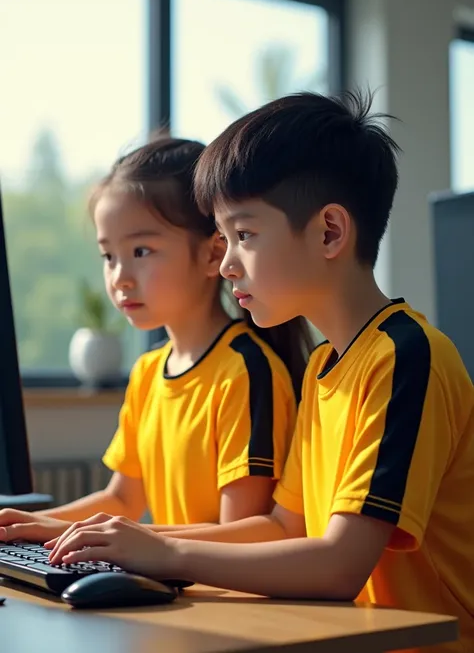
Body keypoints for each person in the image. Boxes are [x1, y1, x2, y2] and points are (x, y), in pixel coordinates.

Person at [35, 93, 474, 653]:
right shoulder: (323, 365)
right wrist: (123, 540)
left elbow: (340, 564)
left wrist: (164, 552)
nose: (225, 263)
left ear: (330, 233)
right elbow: (285, 529)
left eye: (244, 235)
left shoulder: (405, 356)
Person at [0, 136, 313, 543]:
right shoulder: (148, 373)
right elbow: (122, 499)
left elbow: (241, 533)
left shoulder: (246, 372)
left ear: (211, 255)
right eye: (108, 256)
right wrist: (23, 526)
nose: (120, 278)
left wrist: (107, 537)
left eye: (141, 251)